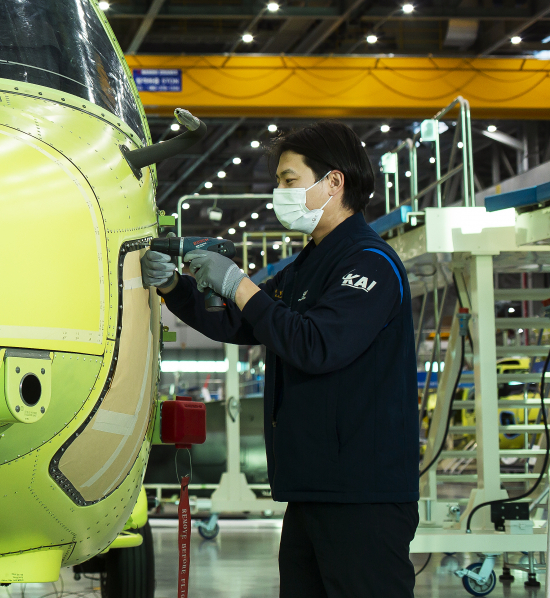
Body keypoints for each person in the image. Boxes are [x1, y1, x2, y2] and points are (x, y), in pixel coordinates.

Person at [143, 120, 417, 598]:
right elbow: (240, 323)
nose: (279, 192)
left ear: (334, 182)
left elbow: (316, 345)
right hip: (312, 489)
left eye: (289, 180)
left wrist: (239, 284)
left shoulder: (370, 263)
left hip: (361, 495)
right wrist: (174, 288)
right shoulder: (307, 266)